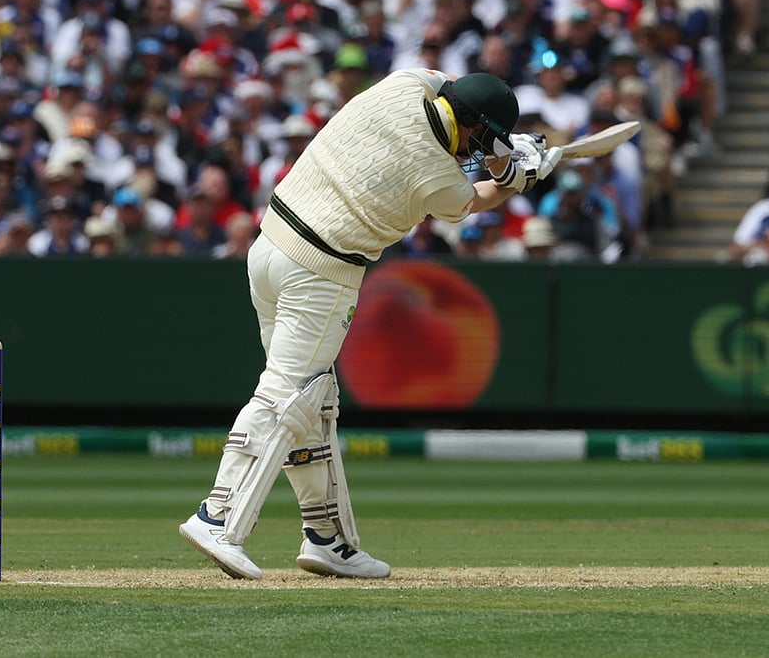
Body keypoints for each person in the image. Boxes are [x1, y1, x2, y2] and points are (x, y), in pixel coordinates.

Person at [179, 69, 561, 580]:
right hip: (321, 272)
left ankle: (326, 538)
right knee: (288, 395)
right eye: (479, 137)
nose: (476, 148)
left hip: (269, 245)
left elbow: (451, 88)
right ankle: (217, 516)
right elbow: (477, 198)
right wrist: (516, 175)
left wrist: (503, 148)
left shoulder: (406, 83)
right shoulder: (436, 175)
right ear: (470, 123)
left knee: (315, 403)